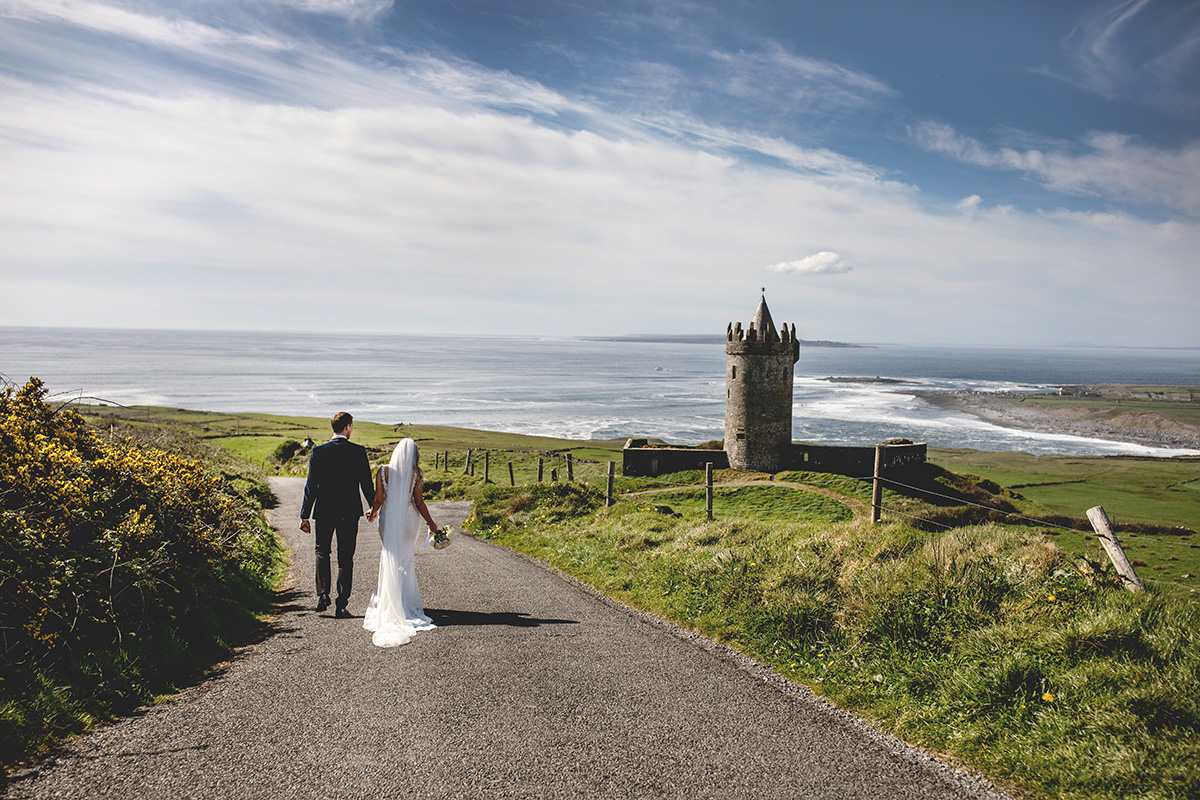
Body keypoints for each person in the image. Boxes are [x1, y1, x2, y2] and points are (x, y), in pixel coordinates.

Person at [361, 438, 442, 647]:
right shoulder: (415, 474)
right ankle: (406, 606)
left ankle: (390, 604)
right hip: (409, 520)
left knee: (390, 557)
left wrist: (373, 511)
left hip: (388, 520)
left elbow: (379, 498)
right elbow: (419, 501)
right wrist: (432, 523)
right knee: (405, 561)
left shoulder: (382, 471)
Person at [300, 411, 375, 618]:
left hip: (324, 511)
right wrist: (373, 507)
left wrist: (304, 515)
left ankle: (323, 595)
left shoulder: (319, 452)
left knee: (322, 552)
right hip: (349, 512)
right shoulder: (358, 452)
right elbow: (366, 484)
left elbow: (310, 487)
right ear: (348, 427)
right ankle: (341, 604)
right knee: (345, 557)